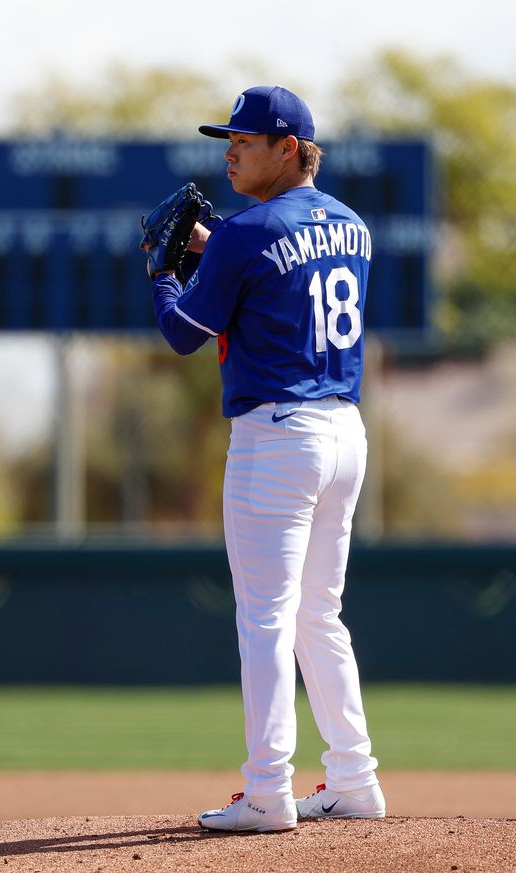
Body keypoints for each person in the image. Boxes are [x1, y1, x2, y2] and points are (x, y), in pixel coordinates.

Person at [148, 85, 386, 833]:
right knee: (320, 613)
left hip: (277, 438)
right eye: (229, 141)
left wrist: (162, 271)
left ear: (289, 148)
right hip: (344, 432)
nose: (230, 152)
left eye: (245, 142)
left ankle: (266, 791)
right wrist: (213, 246)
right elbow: (279, 262)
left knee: (266, 618)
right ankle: (353, 778)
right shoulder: (353, 226)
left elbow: (185, 331)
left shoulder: (248, 233)